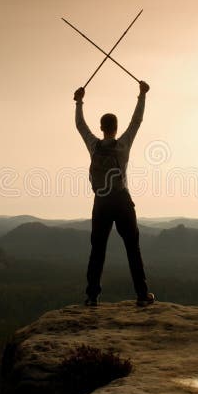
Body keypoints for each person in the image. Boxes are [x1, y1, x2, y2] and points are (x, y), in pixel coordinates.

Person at [73, 80, 155, 307]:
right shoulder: (123, 145)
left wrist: (79, 101)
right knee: (132, 247)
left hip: (101, 202)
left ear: (101, 128)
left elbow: (80, 126)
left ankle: (92, 297)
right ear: (116, 128)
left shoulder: (94, 145)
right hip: (121, 201)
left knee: (97, 250)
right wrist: (142, 95)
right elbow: (137, 121)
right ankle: (142, 294)